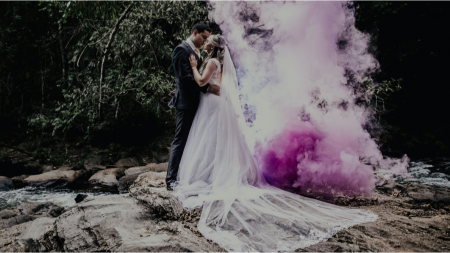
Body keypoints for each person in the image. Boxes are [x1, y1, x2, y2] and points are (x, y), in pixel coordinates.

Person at [173, 35, 378, 252]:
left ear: (212, 47)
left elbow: (202, 82)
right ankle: (210, 173)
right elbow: (219, 86)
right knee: (213, 142)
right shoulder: (219, 63)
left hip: (212, 107)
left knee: (210, 141)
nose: (203, 46)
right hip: (213, 105)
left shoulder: (212, 62)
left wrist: (195, 67)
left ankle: (207, 175)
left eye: (207, 44)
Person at [166, 23, 220, 190]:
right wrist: (208, 87)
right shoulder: (181, 50)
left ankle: (189, 174)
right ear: (194, 32)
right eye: (203, 37)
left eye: (207, 39)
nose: (204, 41)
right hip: (186, 104)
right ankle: (171, 180)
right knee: (180, 140)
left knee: (195, 140)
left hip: (199, 103)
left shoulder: (196, 52)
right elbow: (185, 78)